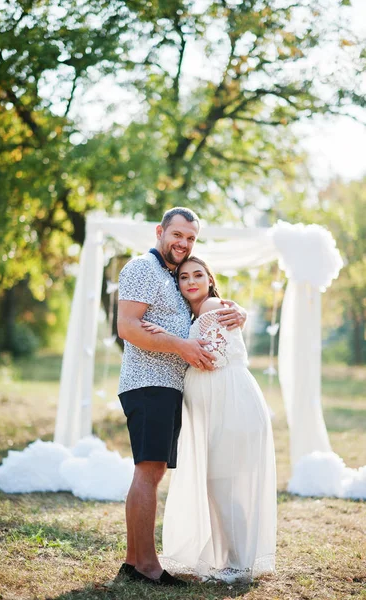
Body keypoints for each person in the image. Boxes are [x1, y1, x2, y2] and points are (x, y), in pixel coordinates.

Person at [116, 208, 246, 587]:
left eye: (190, 238)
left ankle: (132, 561)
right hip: (148, 382)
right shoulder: (142, 267)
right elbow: (127, 326)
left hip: (167, 385)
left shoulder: (171, 274)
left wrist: (237, 309)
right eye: (177, 235)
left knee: (150, 471)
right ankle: (148, 567)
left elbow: (202, 306)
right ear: (160, 231)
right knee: (149, 471)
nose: (183, 244)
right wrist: (181, 345)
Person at [143, 256, 276, 583]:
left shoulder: (212, 306)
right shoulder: (201, 311)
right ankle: (233, 559)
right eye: (184, 277)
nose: (190, 281)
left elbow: (209, 358)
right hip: (222, 405)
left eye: (198, 274)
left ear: (210, 279)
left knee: (224, 484)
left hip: (230, 404)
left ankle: (239, 565)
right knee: (221, 485)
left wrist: (165, 339)